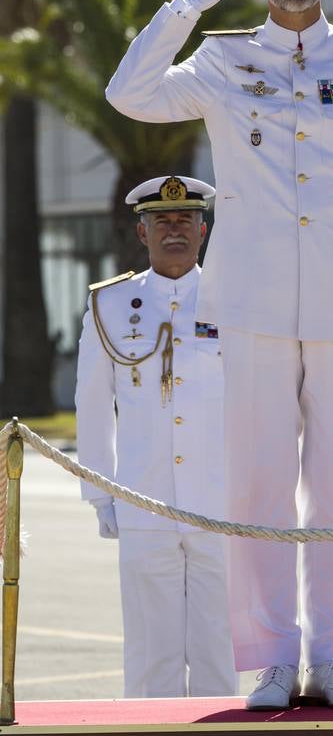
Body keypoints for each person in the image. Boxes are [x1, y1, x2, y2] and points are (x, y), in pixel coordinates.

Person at [105, 0, 333, 710]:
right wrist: (189, 9)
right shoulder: (220, 60)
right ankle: (274, 660)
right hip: (247, 306)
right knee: (257, 483)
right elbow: (130, 92)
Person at [75, 175, 237, 699]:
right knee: (150, 651)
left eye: (185, 220)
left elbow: (261, 401)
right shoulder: (111, 305)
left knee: (219, 645)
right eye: (161, 221)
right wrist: (102, 494)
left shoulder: (236, 300)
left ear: (203, 230)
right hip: (143, 498)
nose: (174, 230)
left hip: (221, 500)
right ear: (141, 234)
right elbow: (93, 405)